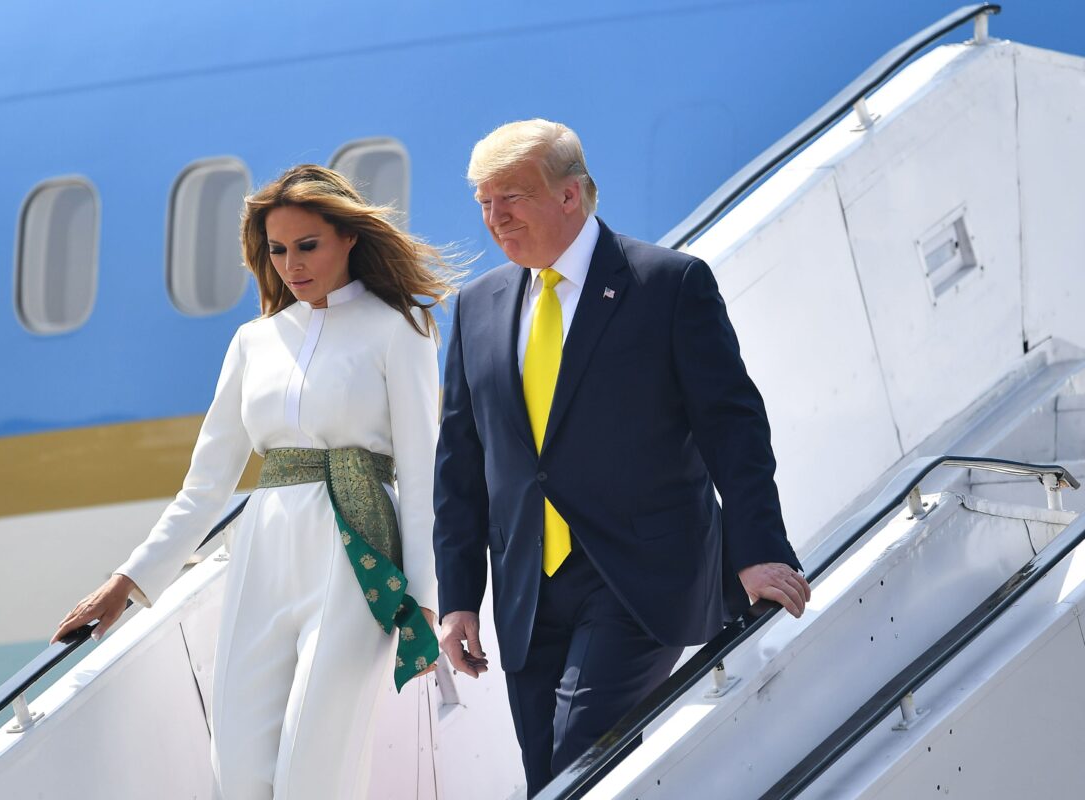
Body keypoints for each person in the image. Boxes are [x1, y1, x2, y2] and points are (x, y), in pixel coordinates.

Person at [53, 165, 458, 799]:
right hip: (263, 556)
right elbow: (205, 486)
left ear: (348, 238)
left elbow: (423, 468)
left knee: (313, 772)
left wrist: (427, 598)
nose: (291, 264)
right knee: (239, 772)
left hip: (357, 556)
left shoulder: (398, 329)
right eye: (277, 250)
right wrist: (125, 582)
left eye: (308, 246)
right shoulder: (254, 341)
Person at [432, 119, 811, 796]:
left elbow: (733, 428)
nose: (495, 218)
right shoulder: (477, 307)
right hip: (527, 590)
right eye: (484, 203)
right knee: (549, 778)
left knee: (581, 763)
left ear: (570, 195)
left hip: (640, 577)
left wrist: (758, 548)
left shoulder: (667, 284)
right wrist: (461, 597)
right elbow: (460, 464)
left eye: (510, 198)